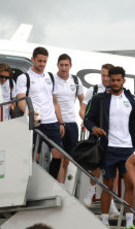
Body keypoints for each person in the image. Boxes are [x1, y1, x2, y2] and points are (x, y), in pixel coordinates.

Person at [84, 66, 135, 228]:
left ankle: (129, 223)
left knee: (129, 184)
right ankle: (105, 220)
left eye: (118, 80)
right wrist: (93, 128)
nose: (115, 83)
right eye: (112, 80)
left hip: (128, 149)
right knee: (108, 184)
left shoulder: (131, 99)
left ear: (123, 80)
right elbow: (88, 119)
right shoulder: (99, 99)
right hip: (109, 148)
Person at [16, 46, 65, 179]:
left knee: (58, 154)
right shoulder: (24, 77)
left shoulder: (50, 76)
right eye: (39, 61)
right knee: (35, 156)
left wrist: (61, 122)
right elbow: (21, 101)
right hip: (36, 121)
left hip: (52, 122)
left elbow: (55, 101)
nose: (42, 64)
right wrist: (31, 114)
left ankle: (51, 182)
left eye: (44, 61)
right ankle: (31, 183)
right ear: (33, 59)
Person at [80, 63, 113, 210]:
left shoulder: (118, 92)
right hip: (96, 132)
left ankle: (110, 200)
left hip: (113, 135)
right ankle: (90, 192)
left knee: (113, 169)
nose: (105, 78)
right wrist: (90, 124)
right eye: (103, 75)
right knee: (96, 164)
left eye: (108, 75)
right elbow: (83, 110)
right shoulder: (93, 90)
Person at [55, 53, 85, 183]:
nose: (63, 68)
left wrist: (85, 119)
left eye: (66, 65)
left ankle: (61, 186)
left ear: (70, 66)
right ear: (57, 65)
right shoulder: (52, 79)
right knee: (57, 156)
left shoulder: (76, 81)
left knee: (67, 158)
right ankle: (55, 185)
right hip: (56, 122)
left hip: (71, 123)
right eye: (61, 65)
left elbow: (82, 100)